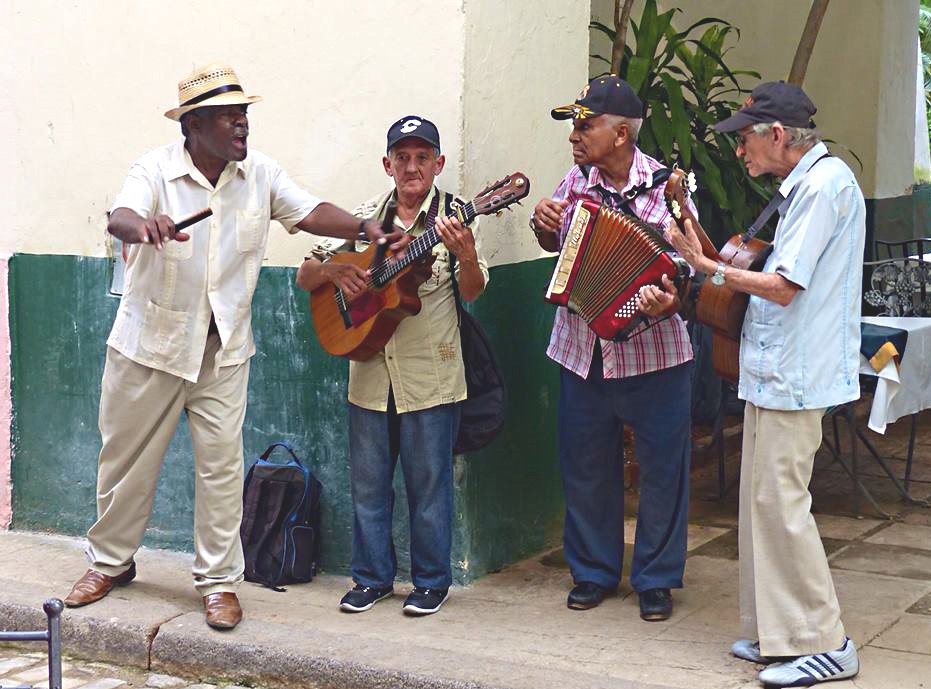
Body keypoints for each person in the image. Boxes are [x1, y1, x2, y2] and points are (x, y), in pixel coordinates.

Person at [64, 63, 404, 630]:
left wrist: (363, 226)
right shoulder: (156, 169)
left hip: (223, 352)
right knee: (126, 465)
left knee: (221, 469)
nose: (242, 125)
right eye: (228, 116)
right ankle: (110, 563)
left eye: (244, 114)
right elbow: (120, 214)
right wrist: (143, 227)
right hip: (151, 347)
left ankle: (218, 582)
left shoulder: (260, 174)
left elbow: (309, 211)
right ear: (194, 126)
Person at [667, 81, 863, 688]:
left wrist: (703, 267)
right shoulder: (807, 185)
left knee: (783, 505)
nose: (739, 150)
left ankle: (825, 641)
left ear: (777, 136)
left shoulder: (823, 188)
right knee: (764, 504)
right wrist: (693, 230)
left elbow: (782, 285)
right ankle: (780, 634)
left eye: (745, 138)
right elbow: (752, 268)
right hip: (777, 371)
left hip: (796, 373)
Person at [295, 116, 488, 616]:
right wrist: (335, 272)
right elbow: (304, 274)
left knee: (429, 487)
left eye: (422, 157)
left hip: (431, 376)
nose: (412, 167)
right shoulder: (363, 219)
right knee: (369, 485)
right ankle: (371, 578)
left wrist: (465, 255)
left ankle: (430, 582)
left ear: (439, 164)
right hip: (369, 375)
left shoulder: (454, 219)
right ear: (387, 164)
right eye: (402, 157)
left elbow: (472, 291)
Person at [530, 75, 693, 621]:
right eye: (573, 125)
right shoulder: (573, 182)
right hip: (582, 352)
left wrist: (671, 298)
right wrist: (543, 225)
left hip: (656, 357)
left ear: (621, 133)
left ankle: (656, 578)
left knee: (663, 469)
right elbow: (557, 245)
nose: (574, 136)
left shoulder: (668, 188)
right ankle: (594, 571)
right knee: (586, 466)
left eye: (585, 124)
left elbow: (691, 264)